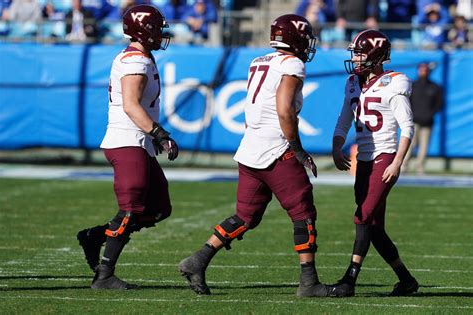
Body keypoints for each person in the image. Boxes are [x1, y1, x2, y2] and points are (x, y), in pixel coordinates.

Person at [178, 14, 328, 298]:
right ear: (294, 38)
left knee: (246, 216)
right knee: (303, 212)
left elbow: (254, 109)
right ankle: (309, 282)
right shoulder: (291, 63)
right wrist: (297, 149)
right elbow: (284, 110)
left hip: (250, 148)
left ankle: (198, 260)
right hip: (275, 149)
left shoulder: (258, 61)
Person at [76, 4, 178, 290]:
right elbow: (131, 105)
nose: (161, 34)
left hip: (138, 141)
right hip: (127, 140)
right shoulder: (137, 61)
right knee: (131, 208)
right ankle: (104, 275)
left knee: (159, 208)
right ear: (143, 31)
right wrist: (160, 133)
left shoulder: (142, 56)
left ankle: (96, 236)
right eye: (156, 29)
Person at [329, 29, 418, 297]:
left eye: (359, 53)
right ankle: (406, 280)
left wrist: (398, 162)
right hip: (365, 160)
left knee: (363, 217)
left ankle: (350, 280)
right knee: (374, 228)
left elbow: (407, 126)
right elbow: (345, 116)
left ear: (376, 56)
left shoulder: (394, 82)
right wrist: (336, 144)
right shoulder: (353, 82)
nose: (355, 59)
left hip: (385, 156)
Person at [404, 62, 443, 174]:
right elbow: (407, 103)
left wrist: (430, 114)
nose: (423, 72)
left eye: (425, 70)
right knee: (410, 144)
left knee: (424, 146)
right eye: (421, 69)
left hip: (427, 122)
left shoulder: (435, 87)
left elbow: (439, 104)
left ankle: (419, 167)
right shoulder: (412, 85)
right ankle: (404, 165)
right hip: (414, 121)